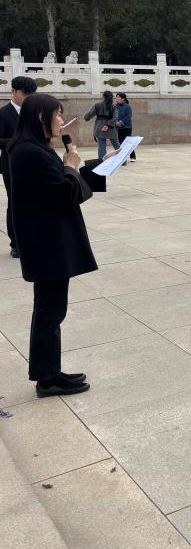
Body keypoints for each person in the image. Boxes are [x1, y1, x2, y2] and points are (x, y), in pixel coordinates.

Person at [8, 93, 101, 397]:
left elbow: (60, 184)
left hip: (47, 241)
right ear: (41, 117)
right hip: (46, 244)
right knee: (50, 311)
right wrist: (70, 166)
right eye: (58, 114)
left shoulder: (33, 148)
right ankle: (47, 380)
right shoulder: (29, 153)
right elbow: (64, 192)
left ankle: (49, 372)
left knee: (50, 310)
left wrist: (100, 164)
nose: (62, 120)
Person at [1, 75, 38, 258]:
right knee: (15, 203)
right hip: (12, 165)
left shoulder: (35, 112)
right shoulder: (3, 113)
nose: (28, 98)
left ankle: (33, 238)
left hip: (34, 163)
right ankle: (16, 243)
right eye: (25, 94)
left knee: (34, 202)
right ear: (13, 92)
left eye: (31, 94)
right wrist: (17, 141)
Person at [83, 90, 121, 159]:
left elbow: (89, 115)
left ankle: (102, 161)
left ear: (103, 97)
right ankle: (123, 160)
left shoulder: (97, 105)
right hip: (111, 127)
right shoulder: (114, 106)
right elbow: (115, 118)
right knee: (116, 144)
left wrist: (86, 117)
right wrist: (108, 125)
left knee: (101, 145)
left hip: (100, 127)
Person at [113, 92, 137, 162]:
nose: (116, 99)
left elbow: (128, 116)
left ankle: (132, 156)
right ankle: (122, 157)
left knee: (127, 142)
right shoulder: (115, 106)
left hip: (127, 127)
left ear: (123, 99)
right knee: (119, 142)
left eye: (118, 97)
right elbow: (113, 116)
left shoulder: (127, 106)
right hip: (117, 127)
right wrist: (116, 123)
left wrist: (121, 122)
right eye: (116, 97)